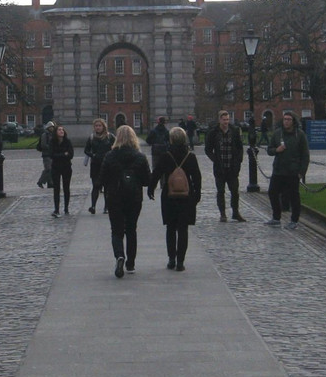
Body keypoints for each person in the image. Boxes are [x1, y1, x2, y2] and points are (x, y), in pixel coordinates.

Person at [99, 125, 152, 278]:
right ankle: (131, 263)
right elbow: (147, 180)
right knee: (131, 229)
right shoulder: (140, 157)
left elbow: (102, 179)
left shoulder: (110, 156)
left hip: (114, 196)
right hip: (134, 197)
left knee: (116, 230)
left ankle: (119, 255)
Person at [149, 126, 201, 271]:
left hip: (169, 195)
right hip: (186, 195)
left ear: (171, 139)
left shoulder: (166, 156)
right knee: (183, 229)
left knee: (170, 228)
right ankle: (180, 261)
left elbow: (156, 173)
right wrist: (197, 194)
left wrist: (151, 188)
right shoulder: (190, 156)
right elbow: (197, 177)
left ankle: (171, 259)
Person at [265, 112, 310, 229]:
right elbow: (269, 150)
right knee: (272, 192)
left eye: (289, 119)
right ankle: (276, 217)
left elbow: (305, 155)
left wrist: (302, 172)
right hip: (279, 169)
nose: (286, 121)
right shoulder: (277, 133)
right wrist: (277, 150)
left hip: (293, 171)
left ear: (293, 121)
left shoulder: (300, 135)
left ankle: (294, 220)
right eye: (285, 119)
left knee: (294, 196)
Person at [204, 110, 245, 223]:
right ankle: (223, 214)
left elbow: (240, 147)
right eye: (224, 120)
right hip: (220, 167)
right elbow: (208, 149)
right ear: (219, 120)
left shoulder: (234, 131)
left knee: (235, 191)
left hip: (232, 166)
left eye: (227, 119)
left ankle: (235, 212)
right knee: (221, 191)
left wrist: (238, 161)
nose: (226, 122)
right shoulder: (213, 132)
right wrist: (215, 159)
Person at [84, 118, 114, 214]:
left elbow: (116, 147)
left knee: (107, 187)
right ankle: (93, 206)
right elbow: (86, 150)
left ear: (103, 126)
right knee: (96, 186)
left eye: (99, 126)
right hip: (95, 164)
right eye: (96, 126)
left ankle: (106, 207)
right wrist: (93, 155)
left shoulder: (110, 137)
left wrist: (111, 155)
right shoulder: (92, 137)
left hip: (107, 164)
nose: (98, 127)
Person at [49, 124, 74, 217]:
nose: (61, 131)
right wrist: (64, 154)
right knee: (56, 188)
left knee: (66, 187)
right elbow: (51, 155)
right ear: (56, 132)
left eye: (62, 130)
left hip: (66, 167)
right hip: (55, 167)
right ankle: (56, 209)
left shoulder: (67, 141)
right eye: (59, 130)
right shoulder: (52, 142)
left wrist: (59, 155)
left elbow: (71, 155)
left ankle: (66, 208)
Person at [35, 121, 54, 189]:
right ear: (48, 128)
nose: (52, 128)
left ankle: (50, 183)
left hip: (52, 154)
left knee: (52, 169)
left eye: (52, 127)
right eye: (51, 127)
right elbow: (43, 145)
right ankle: (40, 181)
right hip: (46, 154)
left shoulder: (52, 135)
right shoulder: (44, 135)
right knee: (48, 169)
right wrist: (51, 147)